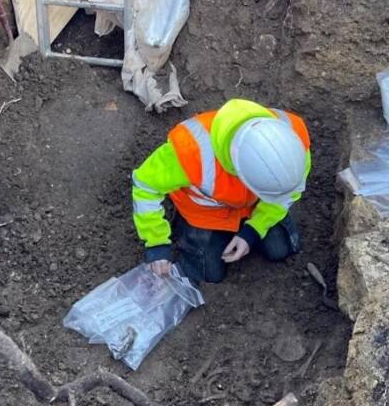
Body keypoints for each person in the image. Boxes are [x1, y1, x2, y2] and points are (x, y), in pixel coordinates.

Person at [131, 98, 311, 284]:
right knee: (209, 274)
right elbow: (145, 186)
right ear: (237, 171)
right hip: (205, 213)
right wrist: (157, 243)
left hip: (254, 206)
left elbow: (289, 193)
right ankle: (184, 227)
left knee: (280, 249)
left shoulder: (293, 141)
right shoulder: (190, 150)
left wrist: (254, 230)